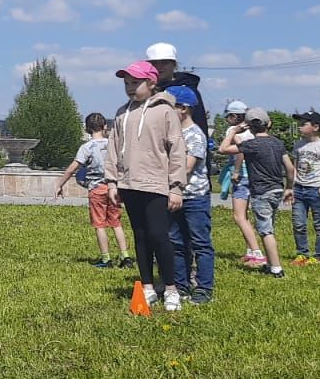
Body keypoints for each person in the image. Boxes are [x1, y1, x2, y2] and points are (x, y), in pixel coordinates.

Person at [108, 61, 187, 312]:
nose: (131, 88)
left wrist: (176, 186)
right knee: (140, 236)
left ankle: (172, 288)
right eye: (127, 84)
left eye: (136, 83)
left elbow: (176, 149)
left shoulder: (165, 111)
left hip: (156, 184)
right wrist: (112, 181)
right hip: (129, 183)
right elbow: (112, 148)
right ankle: (148, 286)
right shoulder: (122, 113)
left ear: (152, 83)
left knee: (158, 235)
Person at [220, 107, 290, 278]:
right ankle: (270, 263)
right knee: (268, 226)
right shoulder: (278, 144)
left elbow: (223, 149)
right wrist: (289, 187)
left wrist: (235, 131)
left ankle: (276, 268)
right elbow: (290, 167)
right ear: (270, 124)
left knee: (266, 231)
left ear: (249, 128)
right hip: (277, 189)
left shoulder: (251, 145)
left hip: (261, 191)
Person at [55, 112, 132, 269]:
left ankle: (106, 259)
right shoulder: (113, 145)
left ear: (88, 129)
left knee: (100, 224)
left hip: (96, 189)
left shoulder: (86, 147)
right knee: (116, 223)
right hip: (114, 189)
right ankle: (126, 257)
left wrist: (60, 184)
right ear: (105, 127)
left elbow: (72, 169)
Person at [165, 86, 215, 304]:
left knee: (200, 243)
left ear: (183, 108)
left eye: (169, 107)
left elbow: (186, 167)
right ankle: (181, 285)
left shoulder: (195, 135)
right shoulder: (171, 133)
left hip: (194, 197)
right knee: (176, 242)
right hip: (174, 195)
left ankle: (204, 288)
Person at [217, 100, 263, 268]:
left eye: (228, 116)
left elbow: (241, 150)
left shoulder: (234, 130)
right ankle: (250, 251)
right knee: (245, 216)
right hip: (253, 175)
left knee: (238, 216)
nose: (226, 120)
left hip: (241, 175)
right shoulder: (251, 130)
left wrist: (236, 171)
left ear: (234, 116)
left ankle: (257, 254)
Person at [290, 110, 320, 265]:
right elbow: (294, 168)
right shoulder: (298, 145)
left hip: (316, 191)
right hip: (299, 190)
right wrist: (291, 187)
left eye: (303, 124)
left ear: (315, 127)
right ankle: (302, 253)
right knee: (299, 223)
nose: (300, 127)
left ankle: (319, 257)